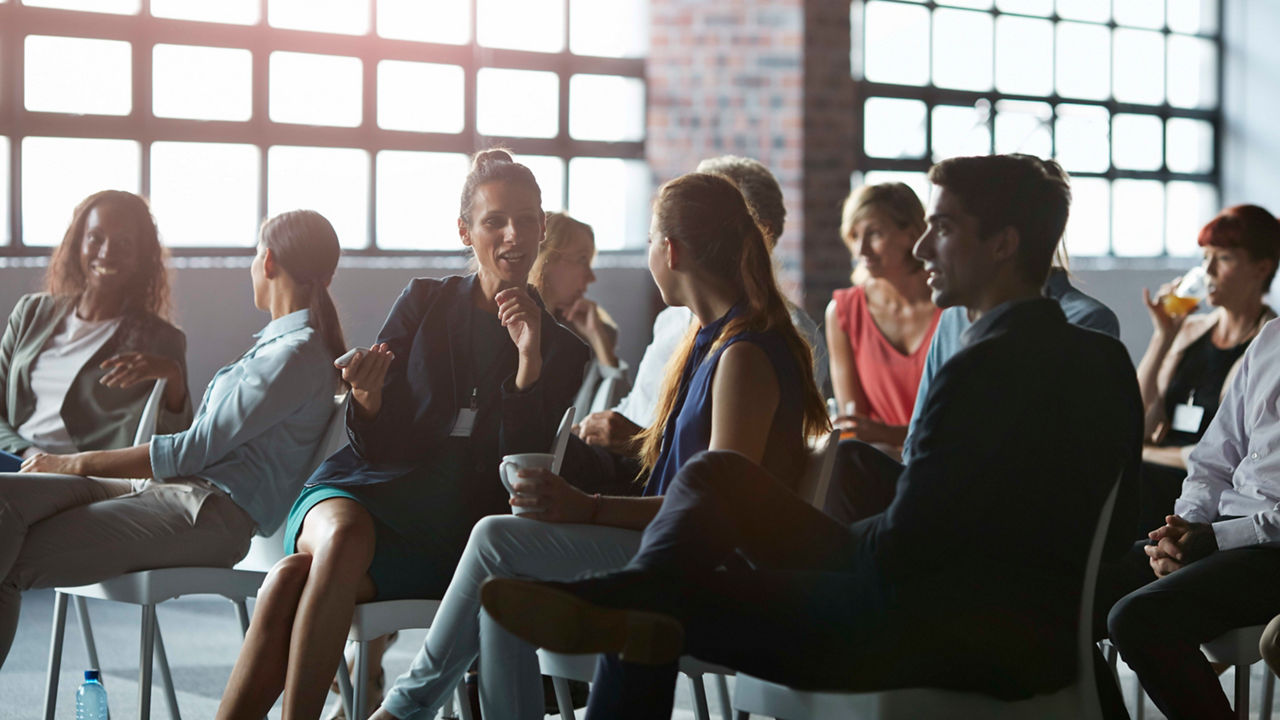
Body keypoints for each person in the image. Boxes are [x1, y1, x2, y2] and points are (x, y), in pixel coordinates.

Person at [479, 154, 1143, 718]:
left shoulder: (977, 369)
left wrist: (785, 541)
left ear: (1003, 243)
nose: (920, 248)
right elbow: (1110, 530)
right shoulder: (1102, 359)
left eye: (942, 227)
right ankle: (632, 593)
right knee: (717, 478)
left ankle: (630, 594)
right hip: (1019, 622)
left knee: (668, 607)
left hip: (939, 632)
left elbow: (898, 556)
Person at [368, 171, 829, 720]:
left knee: (495, 539)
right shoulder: (710, 342)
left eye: (651, 242)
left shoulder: (744, 355)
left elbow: (718, 511)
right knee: (504, 587)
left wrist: (587, 508)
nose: (647, 258)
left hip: (705, 565)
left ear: (672, 250)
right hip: (672, 546)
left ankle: (402, 709)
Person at [214, 150, 598, 720]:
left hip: (450, 537)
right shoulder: (425, 301)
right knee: (338, 543)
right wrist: (368, 399)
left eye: (527, 218)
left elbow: (516, 470)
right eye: (495, 220)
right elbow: (377, 445)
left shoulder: (564, 350)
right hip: (366, 491)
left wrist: (528, 362)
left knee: (293, 577)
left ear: (542, 226)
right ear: (466, 231)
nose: (513, 234)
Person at [0, 208, 347, 665]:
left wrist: (71, 462)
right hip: (165, 494)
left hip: (203, 514)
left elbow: (190, 451)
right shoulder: (277, 347)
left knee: (12, 558)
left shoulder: (293, 356)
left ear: (268, 262)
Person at [576, 154, 827, 453]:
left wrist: (640, 444)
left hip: (652, 478)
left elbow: (731, 467)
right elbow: (636, 408)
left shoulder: (769, 339)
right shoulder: (674, 321)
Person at [1106, 311, 1280, 720]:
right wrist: (1180, 531)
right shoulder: (1273, 337)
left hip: (1271, 550)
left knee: (1138, 620)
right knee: (1077, 586)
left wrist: (1219, 539)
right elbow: (1214, 457)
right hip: (1220, 536)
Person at [0, 190, 192, 473]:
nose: (106, 253)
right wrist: (31, 456)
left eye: (124, 244)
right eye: (95, 238)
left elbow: (172, 449)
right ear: (78, 243)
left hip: (81, 479)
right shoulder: (31, 313)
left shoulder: (160, 340)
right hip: (15, 461)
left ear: (141, 257)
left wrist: (173, 377)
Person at [1132, 205, 1278, 535]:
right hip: (1169, 477)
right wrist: (1162, 337)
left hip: (1198, 486)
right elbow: (1137, 425)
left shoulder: (1268, 345)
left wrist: (1146, 452)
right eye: (1204, 257)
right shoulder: (1188, 331)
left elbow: (1228, 455)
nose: (1207, 270)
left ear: (1261, 268)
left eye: (1223, 258)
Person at [825, 183, 939, 451]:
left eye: (874, 233)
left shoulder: (954, 306)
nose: (861, 249)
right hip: (879, 470)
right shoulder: (844, 312)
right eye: (854, 236)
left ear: (911, 234)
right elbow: (856, 428)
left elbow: (964, 424)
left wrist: (891, 434)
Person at [531, 211, 631, 414]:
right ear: (547, 260)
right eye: (582, 260)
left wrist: (601, 346)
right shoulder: (504, 324)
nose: (591, 277)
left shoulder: (590, 331)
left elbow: (615, 422)